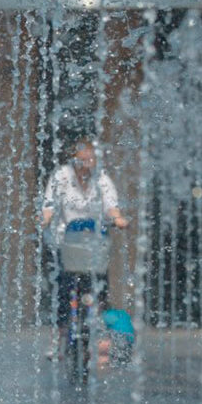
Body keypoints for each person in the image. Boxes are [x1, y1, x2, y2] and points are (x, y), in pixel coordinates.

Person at [40, 137, 128, 359]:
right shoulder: (60, 177)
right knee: (63, 289)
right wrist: (44, 218)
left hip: (93, 242)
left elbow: (111, 206)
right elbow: (49, 204)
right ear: (73, 161)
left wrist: (118, 219)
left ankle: (96, 330)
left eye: (90, 160)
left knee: (98, 287)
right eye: (81, 160)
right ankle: (60, 336)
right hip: (65, 241)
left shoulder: (103, 180)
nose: (85, 164)